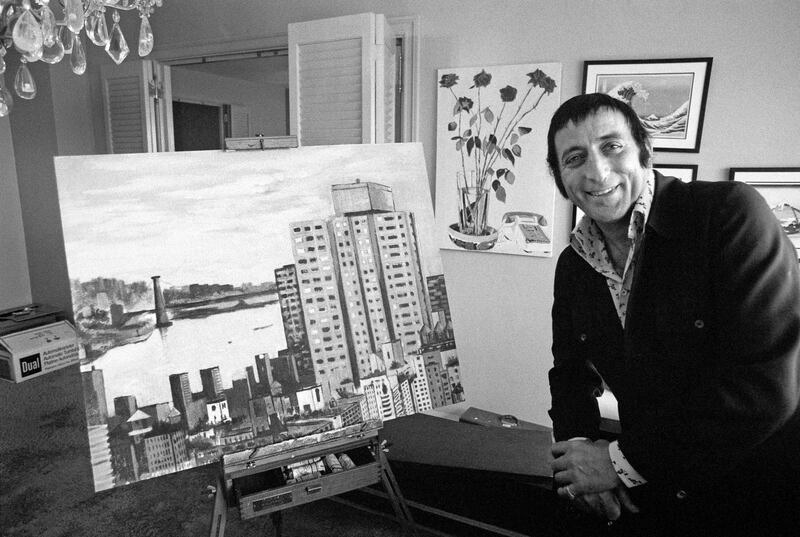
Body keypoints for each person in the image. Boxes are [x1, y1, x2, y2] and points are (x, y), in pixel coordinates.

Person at [546, 93, 800, 536]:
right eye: (574, 157)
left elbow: (764, 388)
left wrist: (618, 463)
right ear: (560, 177)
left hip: (759, 491)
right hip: (653, 494)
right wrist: (580, 458)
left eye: (612, 146)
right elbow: (569, 373)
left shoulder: (728, 215)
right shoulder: (574, 264)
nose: (597, 171)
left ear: (645, 150)